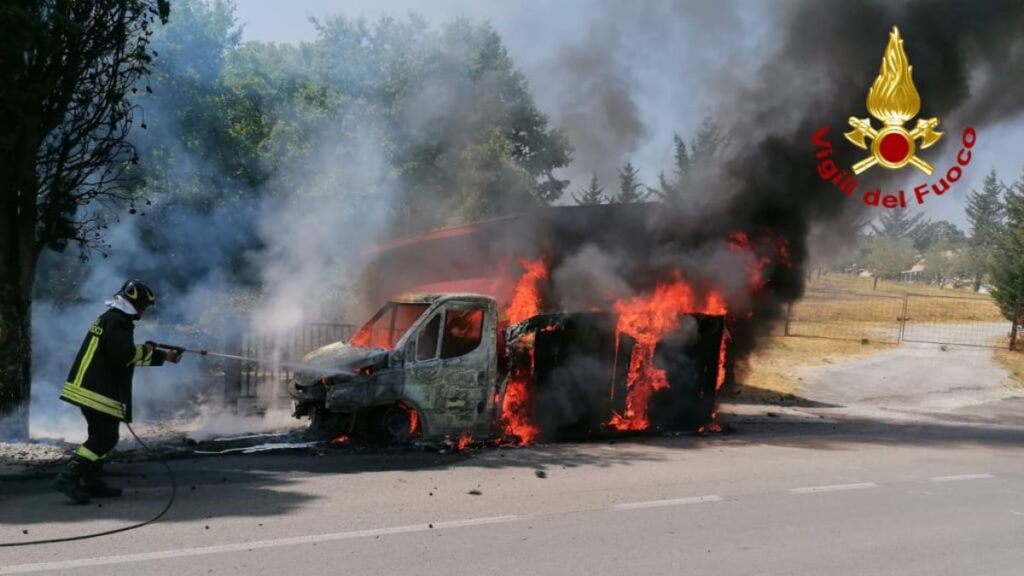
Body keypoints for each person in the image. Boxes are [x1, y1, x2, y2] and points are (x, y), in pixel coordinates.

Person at [55, 279, 181, 504]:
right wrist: (152, 350)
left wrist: (163, 355)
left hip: (90, 388)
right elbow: (123, 355)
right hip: (97, 390)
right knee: (106, 437)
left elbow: (123, 354)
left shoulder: (111, 318)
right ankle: (69, 476)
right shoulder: (119, 322)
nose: (143, 313)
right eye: (143, 308)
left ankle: (92, 481)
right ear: (136, 306)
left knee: (100, 436)